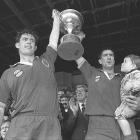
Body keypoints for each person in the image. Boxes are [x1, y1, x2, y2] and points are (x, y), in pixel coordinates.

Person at [0, 9, 62, 140]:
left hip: (49, 124)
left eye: (32, 40)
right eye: (25, 39)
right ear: (17, 45)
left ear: (35, 47)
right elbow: (1, 106)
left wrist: (56, 20)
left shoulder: (46, 61)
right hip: (21, 123)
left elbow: (53, 43)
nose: (29, 42)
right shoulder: (8, 73)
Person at [75, 48, 138, 140]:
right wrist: (73, 38)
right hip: (99, 126)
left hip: (124, 123)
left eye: (111, 55)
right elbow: (76, 54)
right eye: (105, 55)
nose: (109, 57)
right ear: (100, 61)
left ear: (114, 60)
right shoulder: (92, 73)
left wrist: (139, 104)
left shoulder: (125, 78)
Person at [115, 54, 140, 140]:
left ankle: (128, 136)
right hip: (125, 102)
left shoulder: (135, 74)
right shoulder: (125, 77)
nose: (122, 63)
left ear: (133, 66)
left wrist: (132, 85)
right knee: (118, 114)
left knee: (119, 115)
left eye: (125, 61)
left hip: (130, 103)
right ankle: (127, 135)